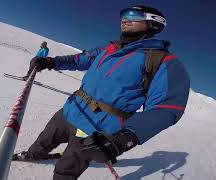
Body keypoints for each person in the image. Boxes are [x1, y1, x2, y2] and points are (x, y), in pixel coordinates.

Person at [14, 5, 190, 180]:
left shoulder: (163, 62)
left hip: (95, 128)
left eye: (133, 15)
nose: (125, 19)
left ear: (154, 23)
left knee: (66, 169)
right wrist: (51, 62)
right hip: (71, 109)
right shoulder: (109, 49)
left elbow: (167, 108)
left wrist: (125, 137)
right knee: (45, 138)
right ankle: (33, 155)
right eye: (124, 15)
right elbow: (79, 60)